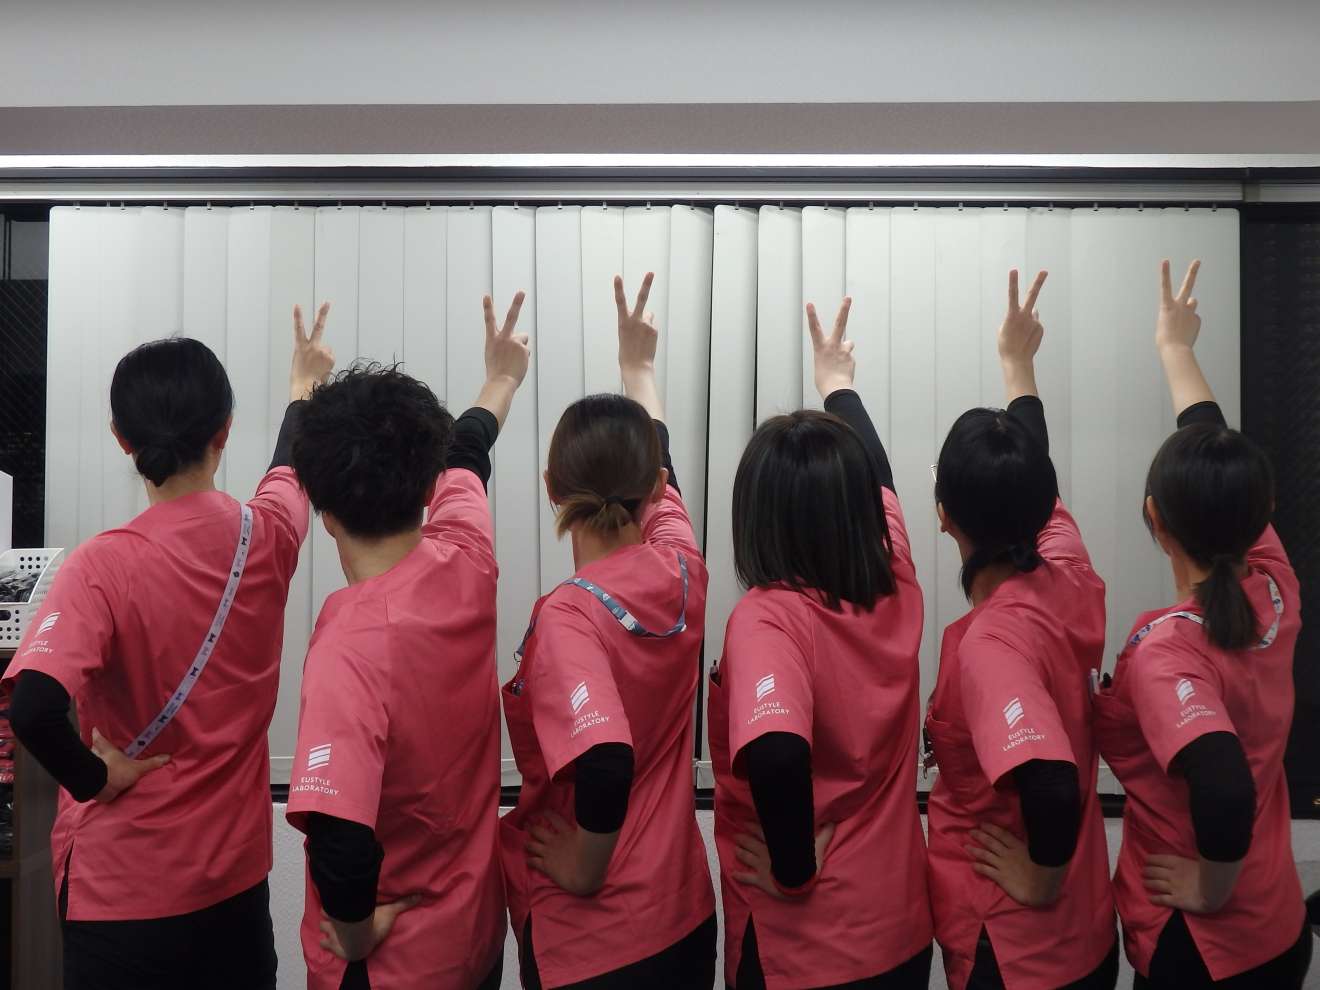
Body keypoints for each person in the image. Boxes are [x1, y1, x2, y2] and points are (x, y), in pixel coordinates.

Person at [3, 305, 335, 990]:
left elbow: (33, 708)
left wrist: (98, 779)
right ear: (224, 431)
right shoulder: (268, 537)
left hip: (121, 896)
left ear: (121, 440)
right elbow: (289, 468)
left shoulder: (102, 566)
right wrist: (304, 386)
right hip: (234, 889)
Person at [283, 292, 529, 990]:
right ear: (427, 491)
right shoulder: (468, 558)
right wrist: (502, 378)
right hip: (474, 941)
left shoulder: (349, 645)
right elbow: (469, 452)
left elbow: (340, 837)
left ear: (323, 513)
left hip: (393, 967)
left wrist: (357, 935)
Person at [1094, 260, 1313, 988]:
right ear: (1263, 511)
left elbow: (1223, 787)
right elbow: (1216, 447)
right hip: (1280, 926)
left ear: (1153, 520)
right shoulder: (1275, 586)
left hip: (1207, 951)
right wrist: (1176, 349)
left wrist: (1211, 888)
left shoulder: (1170, 651)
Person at [707, 297, 934, 989]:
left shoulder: (769, 620)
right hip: (899, 930)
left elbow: (778, 753)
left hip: (811, 948)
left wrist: (794, 871)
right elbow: (879, 475)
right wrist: (838, 384)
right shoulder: (895, 578)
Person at [499, 273, 716, 989]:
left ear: (550, 488)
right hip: (682, 919)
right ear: (655, 491)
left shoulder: (571, 615)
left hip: (596, 943)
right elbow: (663, 465)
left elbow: (605, 759)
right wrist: (639, 369)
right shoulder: (682, 567)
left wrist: (583, 867)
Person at [924, 271, 1118, 990]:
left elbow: (1051, 783)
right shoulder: (1066, 567)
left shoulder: (993, 644)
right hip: (1087, 935)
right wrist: (1017, 365)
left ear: (944, 515)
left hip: (1018, 953)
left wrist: (1039, 878)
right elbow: (1039, 472)